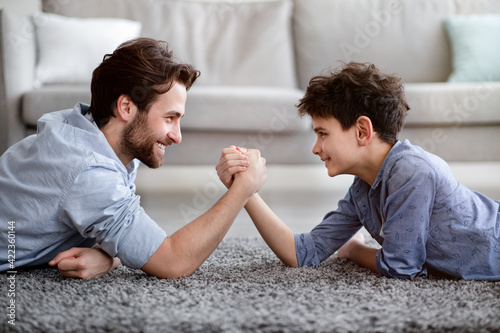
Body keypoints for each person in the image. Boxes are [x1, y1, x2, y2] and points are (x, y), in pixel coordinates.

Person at [0, 38, 267, 279]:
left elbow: (126, 235)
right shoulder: (90, 171)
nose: (177, 136)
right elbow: (172, 260)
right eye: (169, 118)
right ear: (126, 107)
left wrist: (110, 255)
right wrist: (243, 188)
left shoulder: (83, 129)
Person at [216, 62, 500, 280]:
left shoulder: (412, 171)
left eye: (323, 133)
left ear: (362, 131)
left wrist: (353, 250)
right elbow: (303, 252)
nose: (315, 148)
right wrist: (246, 190)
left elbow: (400, 268)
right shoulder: (364, 189)